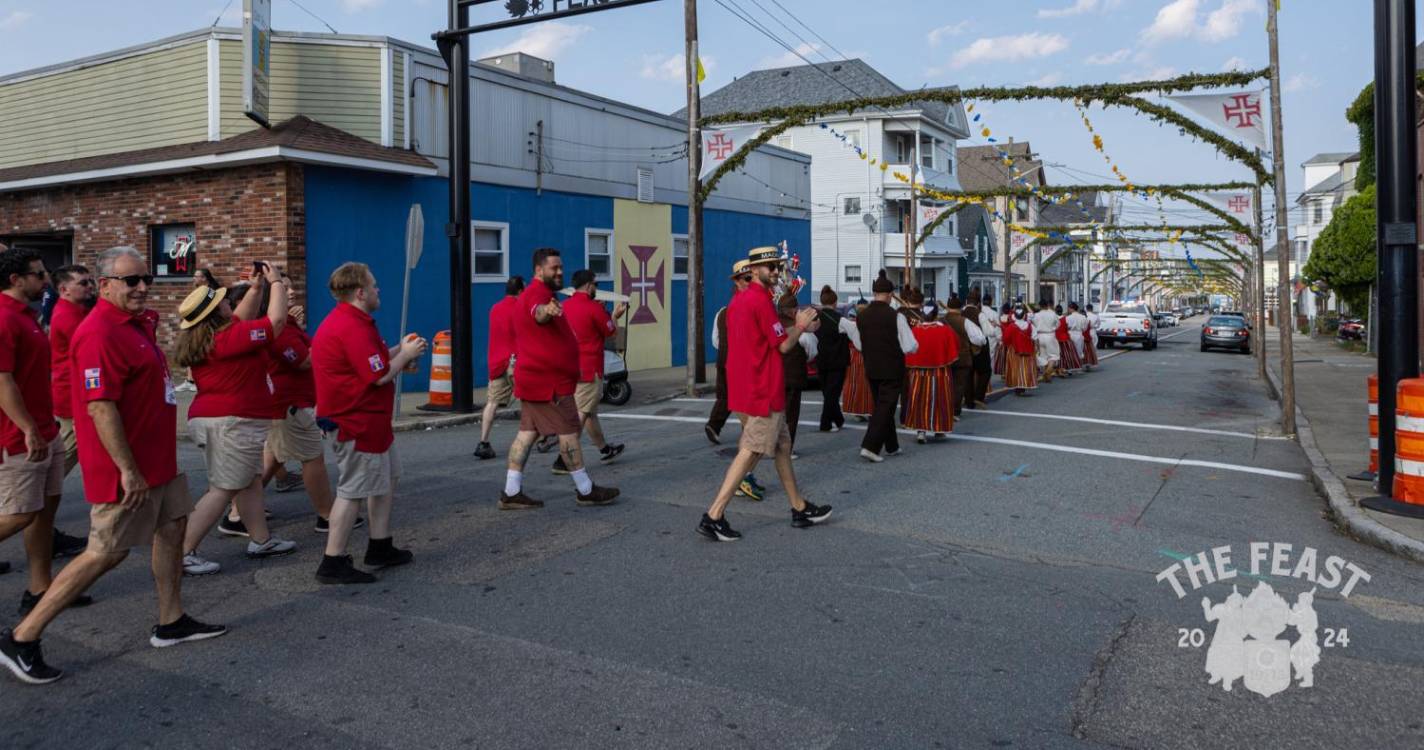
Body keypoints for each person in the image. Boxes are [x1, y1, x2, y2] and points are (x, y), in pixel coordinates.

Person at [1, 246, 227, 685]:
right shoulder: (99, 332)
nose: (142, 287)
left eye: (145, 279)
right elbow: (100, 407)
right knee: (105, 552)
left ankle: (171, 620)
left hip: (158, 461)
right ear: (105, 286)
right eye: (131, 281)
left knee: (173, 526)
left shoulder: (133, 325)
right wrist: (127, 469)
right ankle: (23, 637)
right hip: (128, 469)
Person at [697, 247, 830, 541]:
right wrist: (801, 326)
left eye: (776, 266)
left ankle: (799, 507)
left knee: (782, 447)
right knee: (751, 450)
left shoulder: (737, 303)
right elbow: (782, 345)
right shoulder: (759, 302)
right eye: (769, 267)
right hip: (762, 391)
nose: (774, 271)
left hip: (750, 386)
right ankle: (714, 515)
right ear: (753, 271)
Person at [175, 265, 296, 576]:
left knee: (249, 481)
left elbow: (242, 317)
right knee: (224, 488)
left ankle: (260, 540)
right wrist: (276, 283)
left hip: (221, 420)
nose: (230, 301)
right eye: (224, 301)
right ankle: (182, 551)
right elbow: (277, 322)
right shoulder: (230, 338)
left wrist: (256, 289)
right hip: (231, 422)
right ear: (218, 311)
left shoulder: (218, 334)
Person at [311, 262, 425, 584]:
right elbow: (377, 376)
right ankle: (332, 561)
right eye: (373, 286)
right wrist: (404, 356)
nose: (378, 290)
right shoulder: (351, 326)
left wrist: (400, 352)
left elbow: (370, 362)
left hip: (370, 421)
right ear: (360, 292)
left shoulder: (354, 322)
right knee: (352, 491)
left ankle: (380, 545)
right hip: (355, 422)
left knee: (387, 478)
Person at [0, 248, 94, 621]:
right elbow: (2, 381)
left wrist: (44, 427)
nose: (45, 281)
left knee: (44, 512)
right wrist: (26, 429)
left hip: (46, 427)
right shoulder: (5, 319)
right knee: (21, 514)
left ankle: (40, 589)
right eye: (39, 275)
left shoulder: (27, 314)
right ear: (15, 280)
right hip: (18, 435)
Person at [497, 248, 619, 510]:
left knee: (526, 434)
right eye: (554, 268)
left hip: (534, 381)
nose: (560, 272)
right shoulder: (537, 296)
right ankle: (585, 489)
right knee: (568, 433)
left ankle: (511, 490)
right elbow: (538, 312)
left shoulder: (539, 295)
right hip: (549, 384)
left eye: (561, 267)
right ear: (539, 271)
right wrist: (547, 311)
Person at [219, 293, 348, 536]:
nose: (289, 293)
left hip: (287, 403)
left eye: (288, 287)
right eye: (283, 289)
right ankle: (327, 516)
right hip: (288, 404)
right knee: (312, 458)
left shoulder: (287, 325)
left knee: (272, 460)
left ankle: (237, 513)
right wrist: (334, 345)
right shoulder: (277, 330)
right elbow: (303, 361)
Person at [45, 264, 96, 558]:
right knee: (56, 469)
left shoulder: (75, 312)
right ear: (64, 289)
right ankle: (40, 527)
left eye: (90, 281)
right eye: (83, 283)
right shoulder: (67, 316)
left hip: (73, 399)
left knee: (59, 467)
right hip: (71, 402)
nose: (89, 287)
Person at [706, 261, 767, 501]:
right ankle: (737, 485)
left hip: (740, 372)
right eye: (746, 279)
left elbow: (716, 341)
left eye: (752, 278)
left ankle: (746, 479)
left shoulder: (731, 308)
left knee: (753, 432)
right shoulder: (740, 307)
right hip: (742, 374)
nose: (751, 283)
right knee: (754, 433)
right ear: (738, 281)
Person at [561, 269, 628, 473]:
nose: (596, 289)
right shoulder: (593, 308)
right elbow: (611, 333)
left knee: (589, 412)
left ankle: (604, 449)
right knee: (583, 413)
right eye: (596, 285)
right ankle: (564, 457)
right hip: (589, 368)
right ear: (589, 285)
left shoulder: (563, 307)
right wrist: (615, 316)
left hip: (569, 366)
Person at [857, 270, 918, 463]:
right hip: (892, 368)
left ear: (874, 293)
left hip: (871, 367)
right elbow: (909, 345)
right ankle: (870, 446)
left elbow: (859, 343)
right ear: (891, 295)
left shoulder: (862, 316)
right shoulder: (895, 316)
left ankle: (892, 445)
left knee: (884, 406)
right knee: (885, 407)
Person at [475, 277, 524, 460]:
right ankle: (540, 436)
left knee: (492, 403)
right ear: (520, 291)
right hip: (516, 361)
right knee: (529, 398)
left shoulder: (495, 308)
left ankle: (483, 442)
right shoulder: (520, 308)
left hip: (497, 361)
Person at [901, 291, 955, 444]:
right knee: (940, 398)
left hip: (919, 372)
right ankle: (939, 429)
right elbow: (953, 349)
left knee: (919, 399)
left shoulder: (916, 330)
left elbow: (909, 349)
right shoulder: (944, 330)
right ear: (936, 314)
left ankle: (921, 431)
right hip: (940, 370)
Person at [777, 292, 818, 455]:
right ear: (794, 310)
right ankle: (787, 449)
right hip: (794, 374)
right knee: (791, 415)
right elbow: (812, 349)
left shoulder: (774, 323)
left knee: (775, 412)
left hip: (775, 375)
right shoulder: (800, 327)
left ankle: (770, 445)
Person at [813, 286, 849, 433]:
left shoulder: (816, 319)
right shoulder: (840, 319)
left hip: (821, 359)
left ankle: (838, 419)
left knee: (827, 392)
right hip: (837, 360)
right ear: (835, 302)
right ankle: (825, 423)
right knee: (832, 393)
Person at [943, 296, 980, 416]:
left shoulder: (941, 320)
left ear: (948, 306)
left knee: (944, 384)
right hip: (962, 357)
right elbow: (979, 339)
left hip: (944, 358)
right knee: (958, 385)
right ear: (960, 307)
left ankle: (944, 408)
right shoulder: (964, 321)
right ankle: (955, 410)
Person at [840, 300, 874, 421]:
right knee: (868, 384)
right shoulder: (872, 323)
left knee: (855, 383)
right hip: (868, 355)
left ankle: (858, 411)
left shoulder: (851, 323)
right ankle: (869, 410)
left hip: (854, 355)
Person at [1001, 304, 1039, 396]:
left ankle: (1017, 386)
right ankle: (1024, 384)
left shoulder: (1011, 326)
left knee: (1015, 369)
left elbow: (1005, 339)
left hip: (1014, 351)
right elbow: (1034, 337)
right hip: (1028, 350)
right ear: (1023, 315)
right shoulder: (1030, 326)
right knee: (1026, 369)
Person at [971, 291, 997, 407]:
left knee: (973, 368)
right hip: (984, 340)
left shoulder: (965, 312)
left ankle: (974, 390)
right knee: (986, 367)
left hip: (971, 343)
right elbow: (991, 331)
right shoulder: (987, 313)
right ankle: (985, 388)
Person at [1031, 300, 1061, 382]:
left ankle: (1045, 374)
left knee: (1043, 356)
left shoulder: (1036, 315)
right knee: (1053, 355)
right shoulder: (1052, 313)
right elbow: (1058, 324)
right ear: (1047, 305)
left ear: (1039, 306)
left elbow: (1032, 325)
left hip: (1040, 335)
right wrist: (1053, 328)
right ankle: (1048, 371)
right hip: (1050, 334)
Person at [1055, 304, 1083, 375]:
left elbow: (1064, 327)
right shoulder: (1081, 317)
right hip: (1074, 335)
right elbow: (1084, 327)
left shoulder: (1066, 318)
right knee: (1074, 353)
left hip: (1063, 336)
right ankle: (1073, 367)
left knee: (1063, 353)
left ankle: (1062, 368)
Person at [1066, 303, 1092, 372]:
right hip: (1079, 334)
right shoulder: (1083, 317)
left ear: (1071, 308)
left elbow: (1066, 327)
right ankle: (1079, 367)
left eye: (1069, 308)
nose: (1068, 310)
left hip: (1071, 333)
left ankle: (1071, 368)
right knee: (1079, 351)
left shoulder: (1068, 318)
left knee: (1071, 351)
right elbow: (1085, 328)